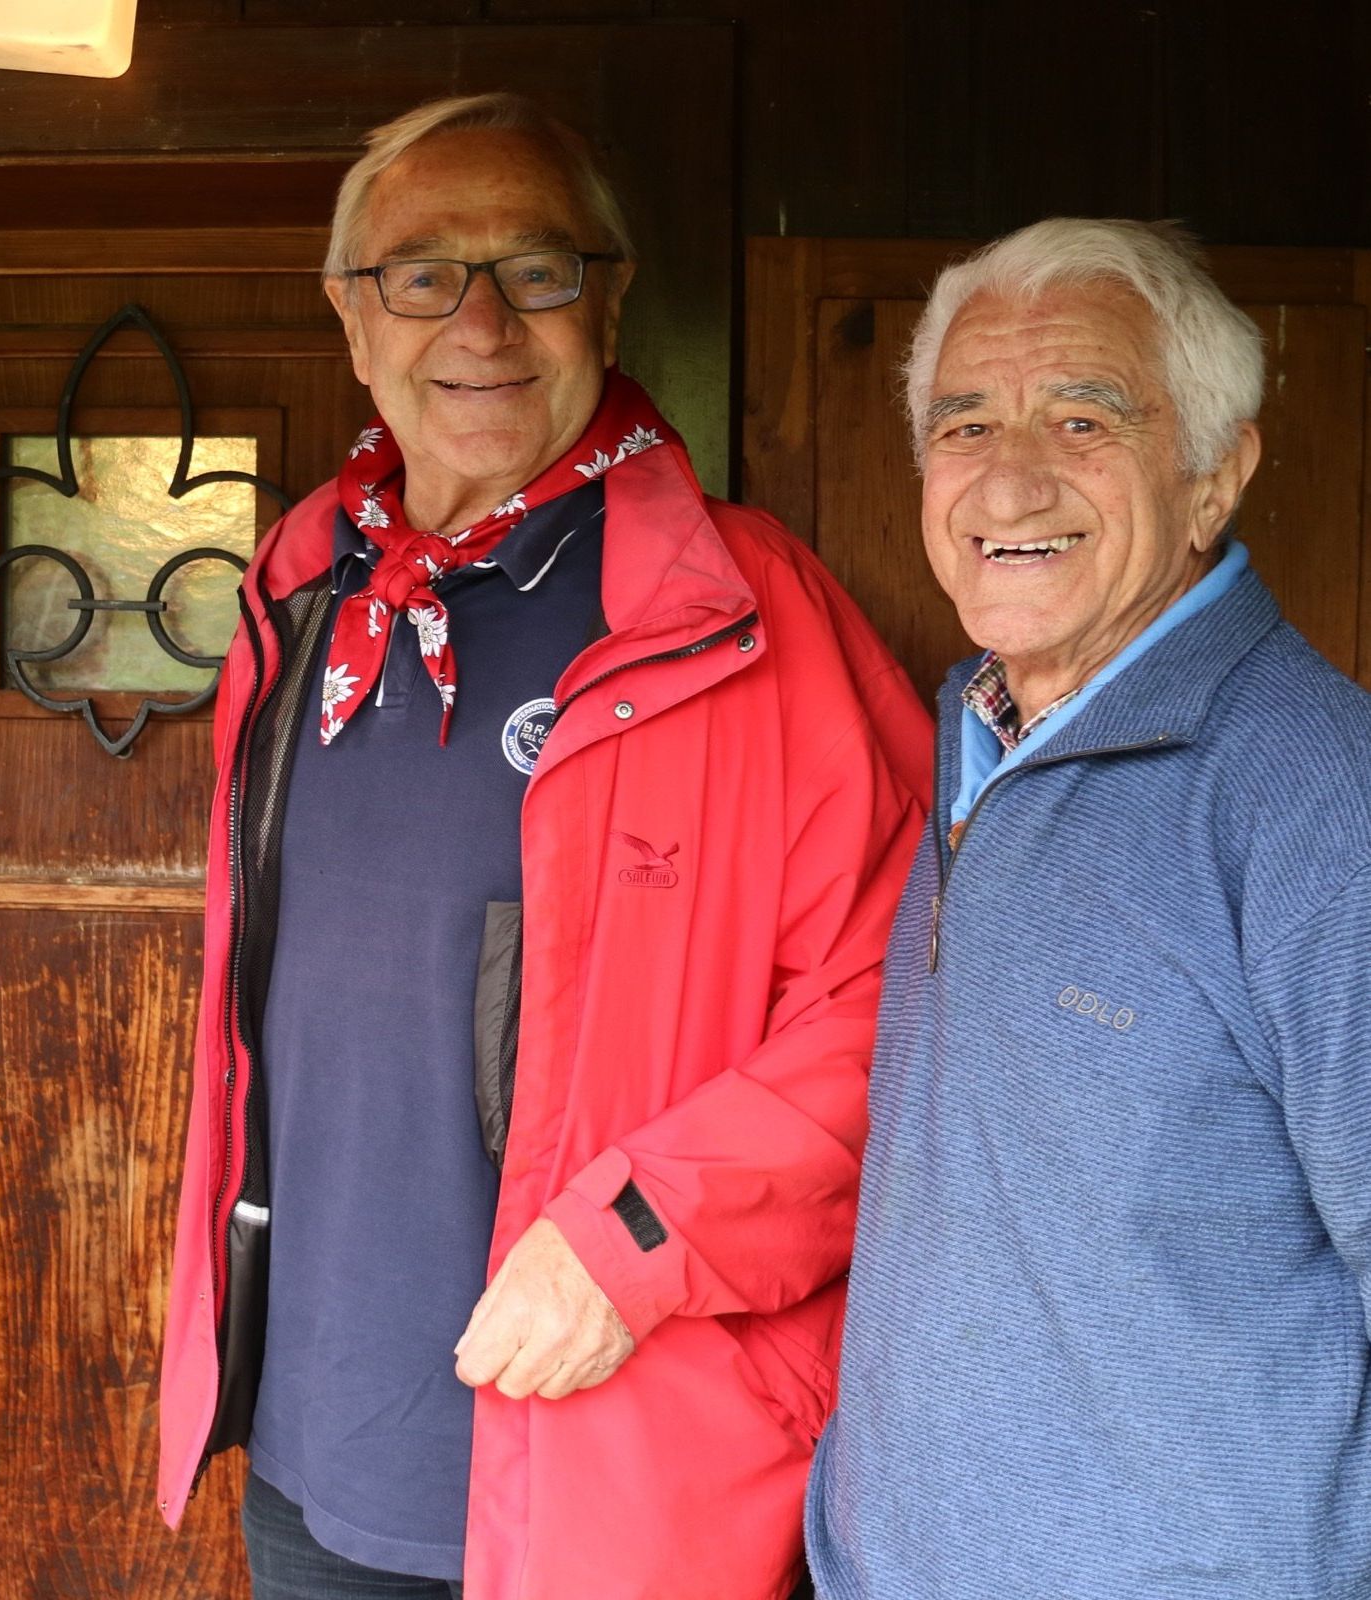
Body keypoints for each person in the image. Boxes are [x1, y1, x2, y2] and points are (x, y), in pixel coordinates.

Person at [156, 93, 930, 1600]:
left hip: (617, 1457)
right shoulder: (300, 597)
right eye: (422, 272)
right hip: (316, 1450)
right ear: (351, 317)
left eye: (535, 267)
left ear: (610, 298)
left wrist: (638, 1237)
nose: (481, 321)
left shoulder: (736, 613)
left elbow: (907, 1004)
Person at [806, 219, 1371, 1598]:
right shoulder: (979, 728)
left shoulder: (1319, 794)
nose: (1008, 479)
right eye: (965, 424)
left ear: (1212, 477)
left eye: (1081, 419)